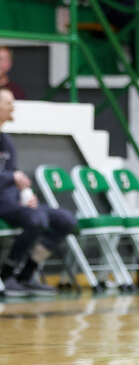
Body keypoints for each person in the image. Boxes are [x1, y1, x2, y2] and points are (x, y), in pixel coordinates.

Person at [0, 88, 78, 297]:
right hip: (2, 203)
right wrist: (12, 178)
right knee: (38, 220)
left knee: (66, 220)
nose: (13, 107)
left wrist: (26, 193)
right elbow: (11, 175)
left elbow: (14, 174)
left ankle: (26, 274)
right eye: (8, 103)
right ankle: (7, 274)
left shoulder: (6, 140)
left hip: (14, 202)